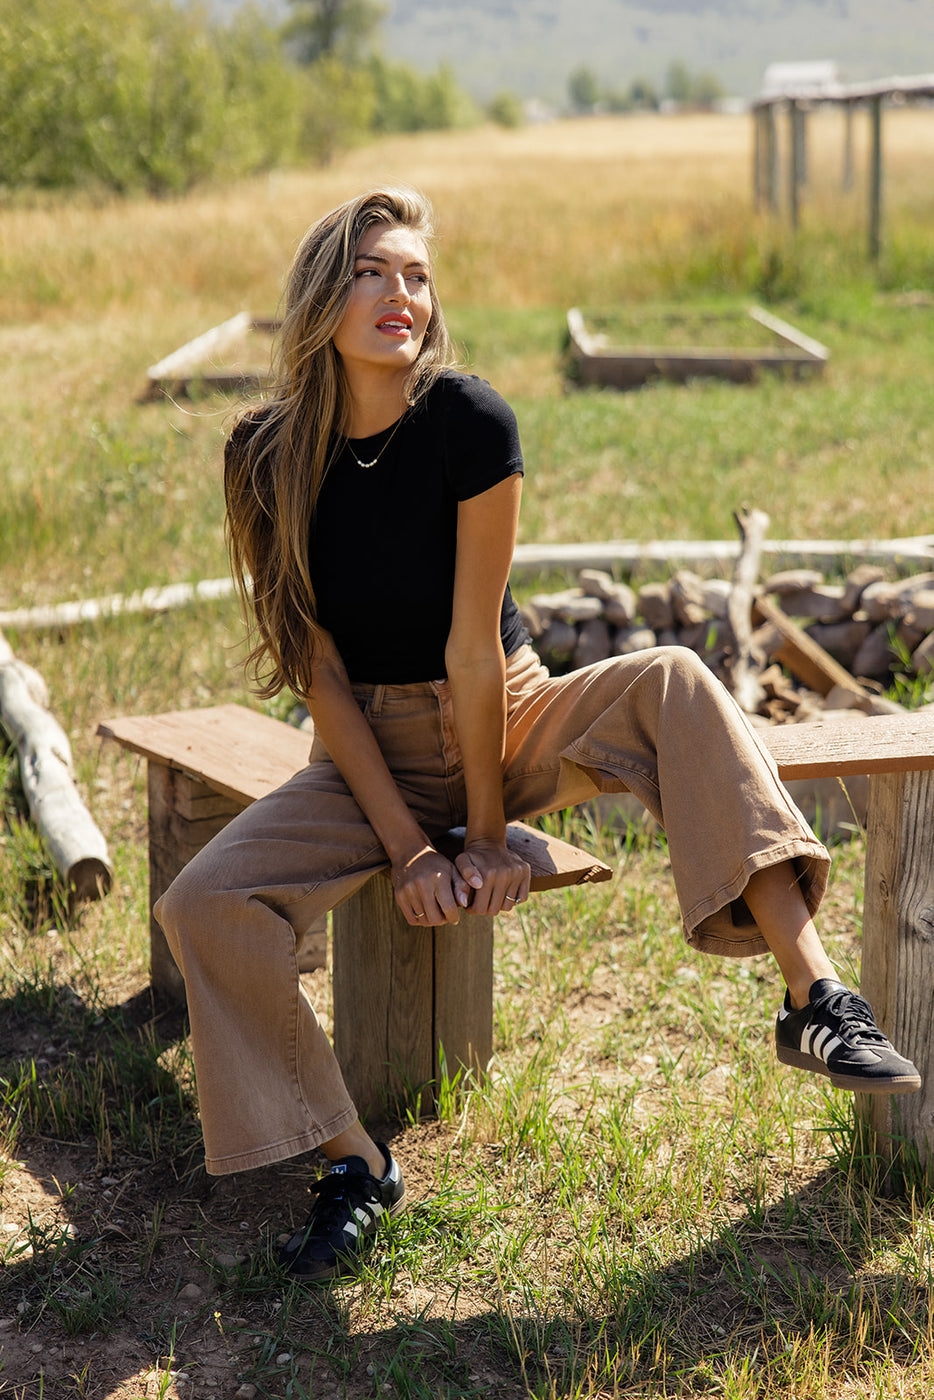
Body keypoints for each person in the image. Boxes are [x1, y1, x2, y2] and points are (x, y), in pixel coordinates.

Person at [155, 185, 920, 1285]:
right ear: (322, 292)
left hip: (503, 717)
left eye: (417, 275)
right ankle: (353, 1161)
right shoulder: (265, 453)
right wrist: (413, 847)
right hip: (364, 745)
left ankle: (814, 999)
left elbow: (474, 652)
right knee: (203, 902)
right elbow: (316, 669)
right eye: (373, 270)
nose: (400, 294)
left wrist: (482, 831)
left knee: (672, 675)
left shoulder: (472, 423)